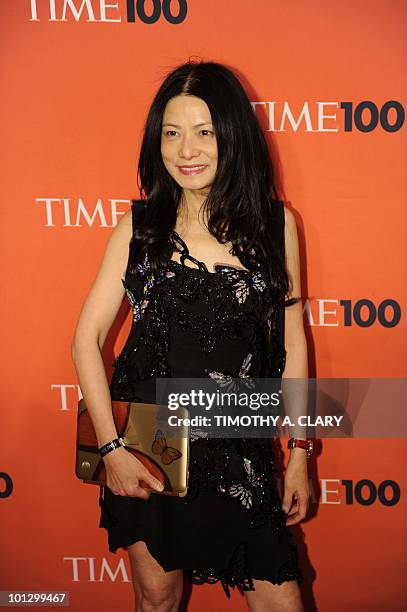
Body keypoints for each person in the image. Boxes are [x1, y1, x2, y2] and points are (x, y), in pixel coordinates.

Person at [72, 60, 310, 612]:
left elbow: (292, 344)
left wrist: (299, 451)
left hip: (237, 447)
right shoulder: (139, 228)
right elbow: (87, 340)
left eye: (204, 132)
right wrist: (111, 450)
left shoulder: (277, 227)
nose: (187, 151)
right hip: (149, 449)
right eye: (171, 133)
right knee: (156, 598)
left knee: (281, 600)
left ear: (232, 137)